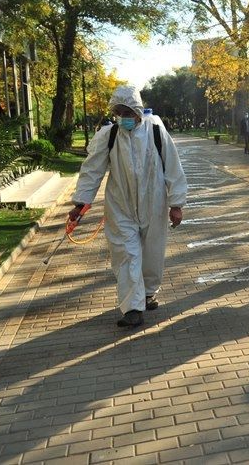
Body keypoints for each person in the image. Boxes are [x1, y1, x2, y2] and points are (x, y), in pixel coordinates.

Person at [68, 85, 187, 327]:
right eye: (118, 112)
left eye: (127, 112)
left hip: (154, 203)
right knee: (126, 254)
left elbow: (172, 165)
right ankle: (133, 307)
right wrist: (81, 202)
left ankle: (148, 292)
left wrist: (176, 204)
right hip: (120, 205)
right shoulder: (109, 135)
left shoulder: (155, 129)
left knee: (152, 252)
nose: (123, 118)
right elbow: (92, 170)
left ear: (137, 111)